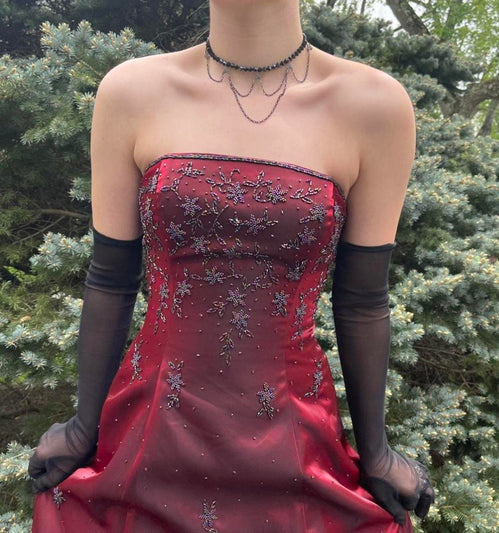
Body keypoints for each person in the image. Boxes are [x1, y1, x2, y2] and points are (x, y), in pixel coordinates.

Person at [28, 0, 435, 531]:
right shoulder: (132, 91)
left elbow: (361, 300)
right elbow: (111, 278)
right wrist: (84, 427)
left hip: (294, 441)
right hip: (150, 431)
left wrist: (376, 452)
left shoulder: (374, 106)